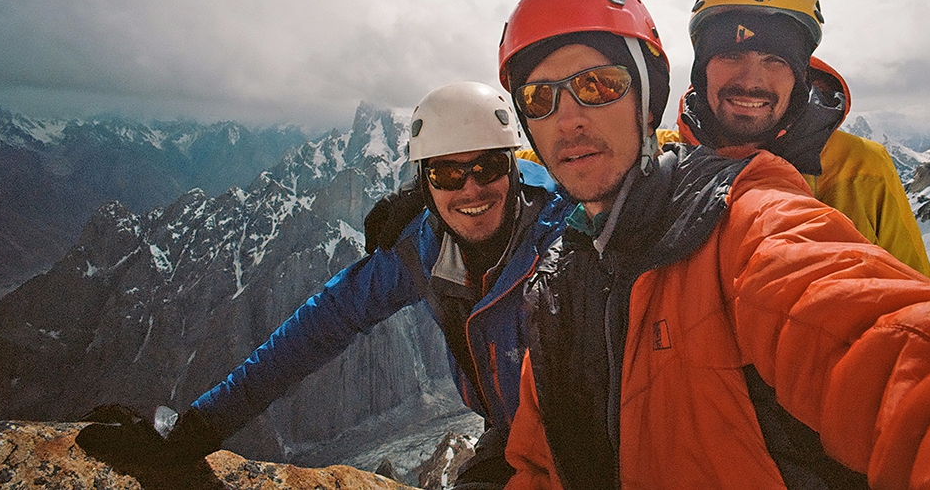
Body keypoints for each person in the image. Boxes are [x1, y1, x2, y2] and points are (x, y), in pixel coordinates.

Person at [496, 0, 930, 490]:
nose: (570, 118)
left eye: (598, 84)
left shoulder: (739, 211)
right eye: (540, 97)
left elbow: (877, 339)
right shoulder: (560, 277)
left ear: (647, 97)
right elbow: (538, 462)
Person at [77, 81, 573, 489]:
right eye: (447, 172)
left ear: (512, 164)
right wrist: (196, 430)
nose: (470, 189)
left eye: (486, 166)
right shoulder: (421, 247)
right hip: (512, 442)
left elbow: (637, 184)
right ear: (424, 182)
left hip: (597, 444)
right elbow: (319, 326)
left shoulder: (571, 230)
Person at [673, 0, 930, 277]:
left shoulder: (864, 169)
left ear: (800, 77)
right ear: (702, 69)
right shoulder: (655, 162)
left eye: (775, 60)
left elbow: (913, 294)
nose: (751, 80)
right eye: (730, 55)